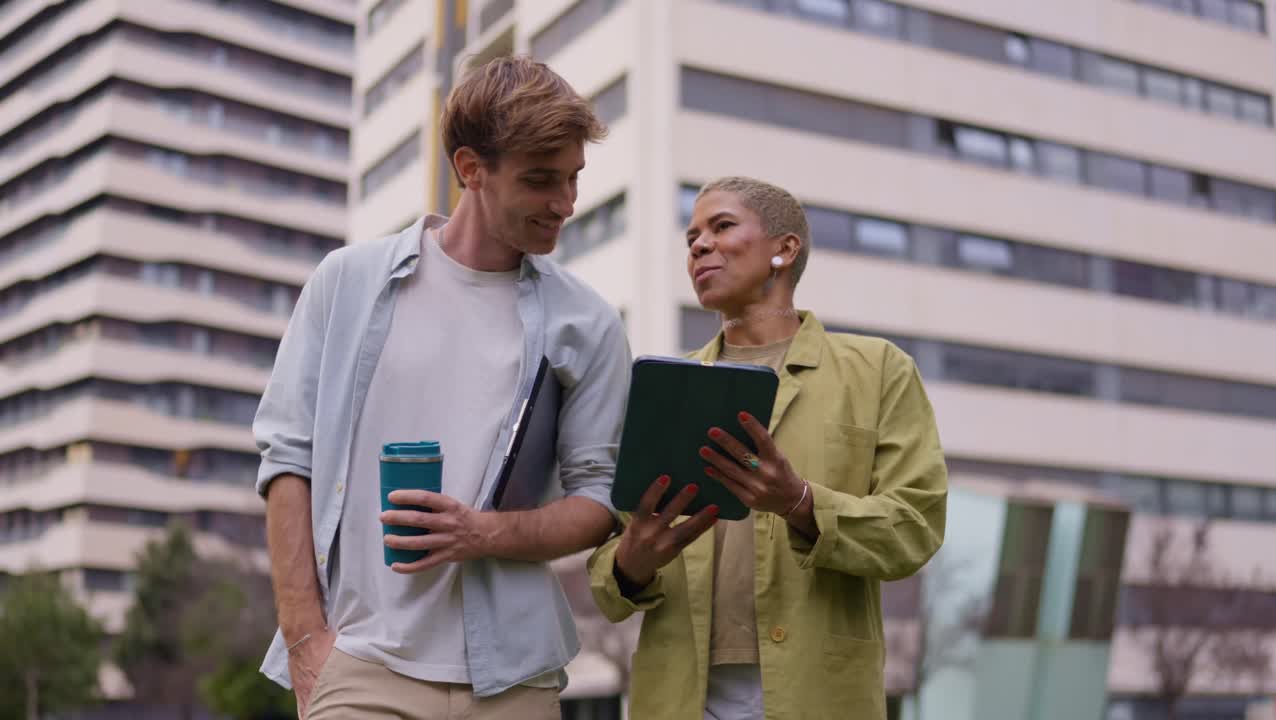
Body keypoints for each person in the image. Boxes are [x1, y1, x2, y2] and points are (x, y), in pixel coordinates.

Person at [254, 56, 630, 719]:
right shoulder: (347, 283)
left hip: (515, 679)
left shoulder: (588, 323)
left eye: (573, 179)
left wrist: (481, 533)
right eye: (541, 181)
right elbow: (288, 458)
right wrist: (304, 636)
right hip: (362, 665)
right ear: (470, 168)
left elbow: (599, 500)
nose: (565, 204)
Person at [589, 176, 948, 719]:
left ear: (785, 249)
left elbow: (915, 527)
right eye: (691, 238)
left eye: (722, 226)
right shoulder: (665, 388)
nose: (699, 246)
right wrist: (629, 565)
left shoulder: (878, 371)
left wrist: (801, 503)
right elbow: (608, 570)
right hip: (680, 697)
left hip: (819, 695)